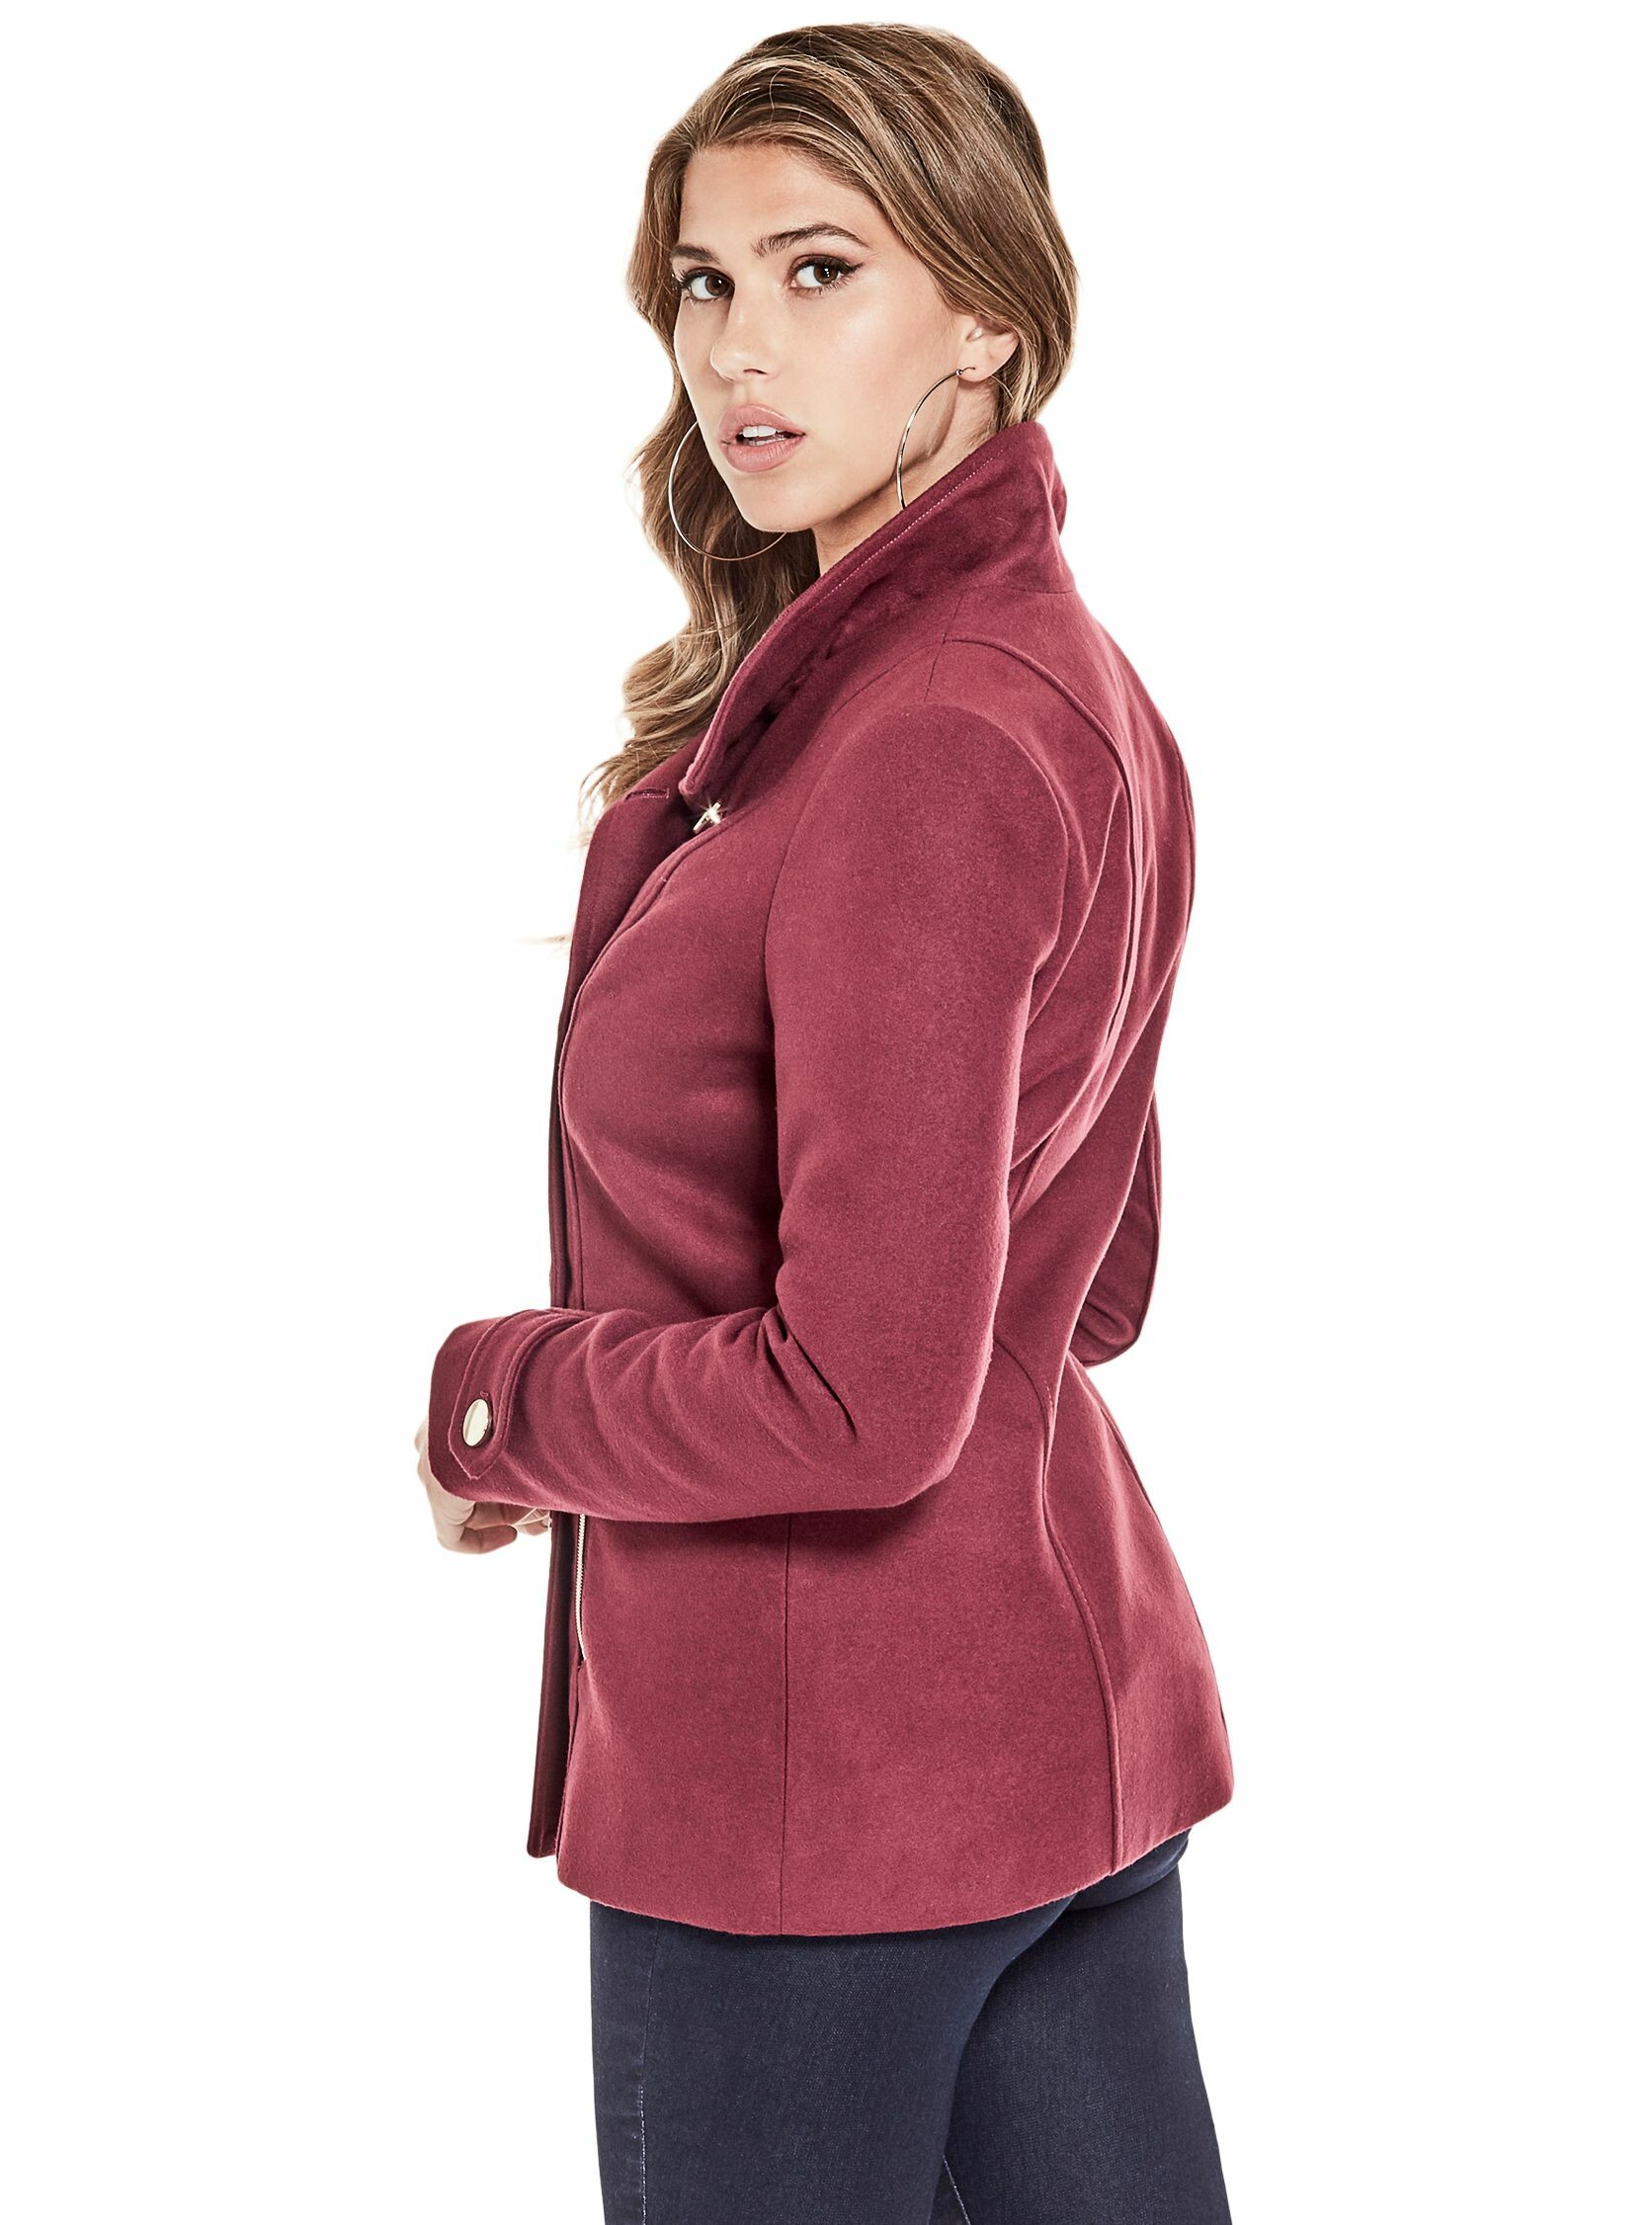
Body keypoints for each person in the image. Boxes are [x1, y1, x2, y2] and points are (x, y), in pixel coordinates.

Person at [415, 24, 1235, 2222]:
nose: (736, 349)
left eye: (819, 269)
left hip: (814, 1823)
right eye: (704, 281)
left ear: (984, 315)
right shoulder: (1072, 691)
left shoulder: (920, 741)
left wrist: (506, 1403)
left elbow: (868, 1394)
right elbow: (1092, 1283)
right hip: (1053, 1748)